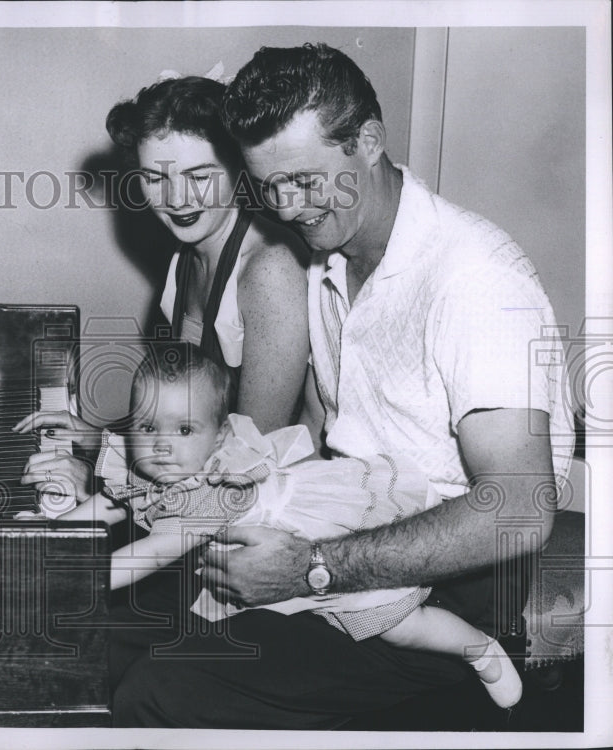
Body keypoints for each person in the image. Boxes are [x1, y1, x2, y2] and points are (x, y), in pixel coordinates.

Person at [109, 44, 574, 728]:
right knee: (116, 625)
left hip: (445, 592)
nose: (289, 207)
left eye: (305, 180)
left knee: (155, 688)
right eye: (271, 187)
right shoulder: (331, 258)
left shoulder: (474, 281)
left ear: (369, 141)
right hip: (352, 534)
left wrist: (313, 569)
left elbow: (518, 510)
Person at [45, 343, 522, 708]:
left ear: (220, 438)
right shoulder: (157, 469)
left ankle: (476, 647)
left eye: (183, 430)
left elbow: (150, 552)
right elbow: (109, 506)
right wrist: (41, 533)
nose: (161, 447)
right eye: (147, 429)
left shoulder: (211, 492)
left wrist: (72, 579)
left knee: (393, 623)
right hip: (255, 561)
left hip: (321, 540)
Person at [14, 76, 310, 501]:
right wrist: (100, 439)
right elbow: (190, 429)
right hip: (201, 488)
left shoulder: (269, 272)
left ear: (238, 170)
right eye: (155, 178)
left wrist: (101, 482)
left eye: (200, 176)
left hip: (260, 504)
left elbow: (249, 467)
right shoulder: (185, 253)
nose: (177, 199)